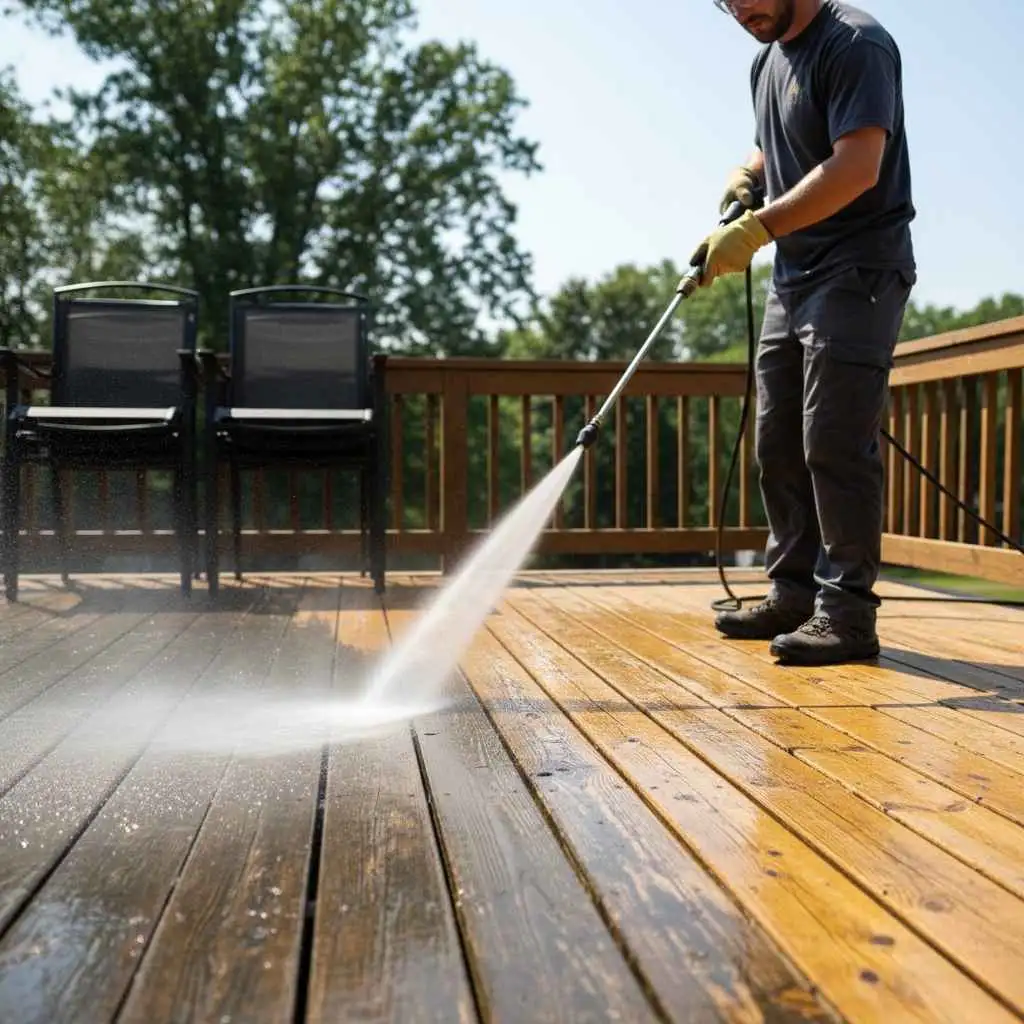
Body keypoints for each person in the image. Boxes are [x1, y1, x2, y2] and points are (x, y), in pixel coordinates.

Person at [690, 0, 916, 665]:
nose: (739, 9)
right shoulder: (766, 61)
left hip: (858, 270)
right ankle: (792, 595)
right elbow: (780, 140)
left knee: (834, 442)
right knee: (778, 439)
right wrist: (749, 177)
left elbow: (856, 165)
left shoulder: (857, 44)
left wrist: (759, 229)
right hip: (795, 277)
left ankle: (846, 615)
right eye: (724, 0)